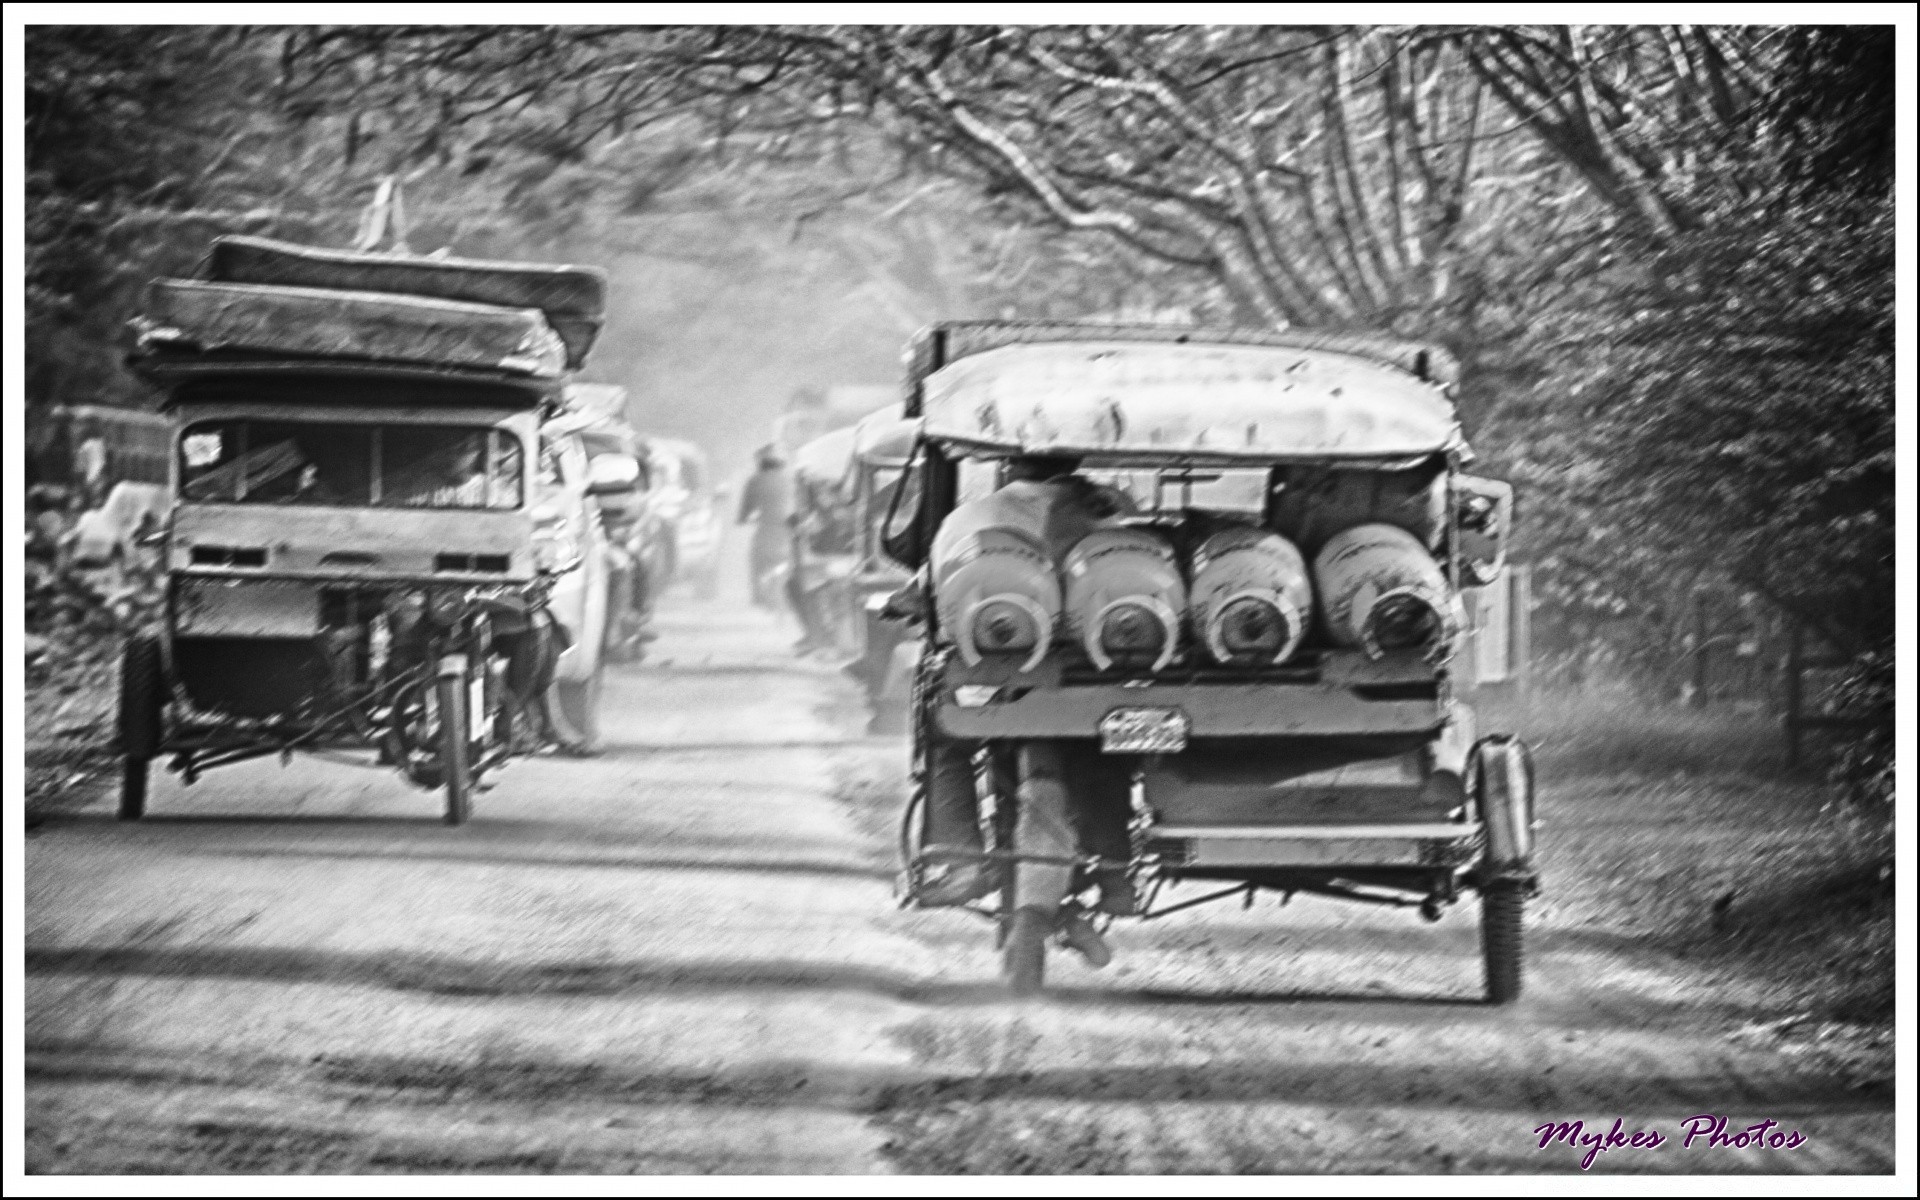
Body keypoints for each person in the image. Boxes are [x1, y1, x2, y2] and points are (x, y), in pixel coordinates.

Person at [909, 455, 1141, 966]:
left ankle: (959, 855)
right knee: (1115, 744)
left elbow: (931, 588)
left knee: (945, 737)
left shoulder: (969, 518)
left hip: (996, 681)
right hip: (1089, 678)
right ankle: (1115, 870)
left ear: (1007, 465)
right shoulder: (1110, 513)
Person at [737, 446, 792, 609]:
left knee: (756, 558)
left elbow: (745, 511)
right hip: (786, 530)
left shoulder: (754, 481)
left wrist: (743, 519)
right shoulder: (788, 480)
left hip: (766, 529)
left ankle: (757, 595)